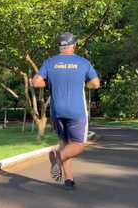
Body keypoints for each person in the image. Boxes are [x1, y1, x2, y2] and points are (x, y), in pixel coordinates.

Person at [32, 32, 100, 190]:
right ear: (74, 45)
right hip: (76, 111)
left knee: (65, 144)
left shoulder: (50, 62)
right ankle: (57, 157)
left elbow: (36, 82)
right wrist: (85, 85)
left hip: (57, 111)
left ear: (60, 46)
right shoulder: (83, 62)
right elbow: (96, 84)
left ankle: (69, 181)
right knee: (78, 145)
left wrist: (51, 84)